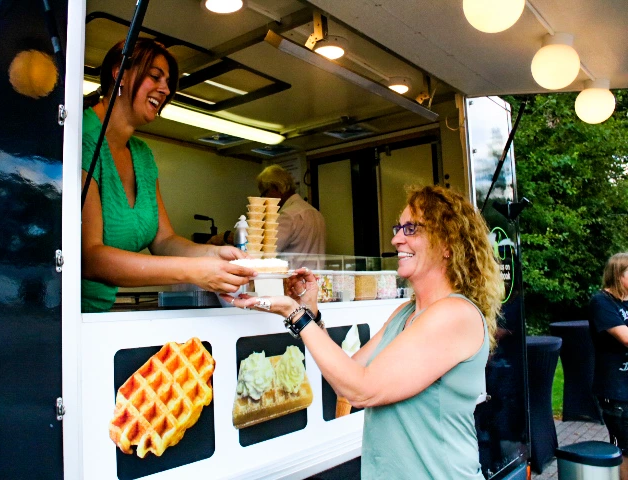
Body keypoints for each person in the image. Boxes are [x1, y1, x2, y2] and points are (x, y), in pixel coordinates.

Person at [223, 185, 504, 479]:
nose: (396, 239)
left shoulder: (454, 314)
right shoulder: (405, 314)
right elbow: (349, 376)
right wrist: (309, 313)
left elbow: (362, 389)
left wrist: (292, 313)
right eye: (399, 228)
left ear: (447, 244)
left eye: (411, 229)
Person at [81, 39, 254, 313]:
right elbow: (90, 258)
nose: (165, 89)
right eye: (155, 76)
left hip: (99, 316)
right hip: (57, 320)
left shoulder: (143, 156)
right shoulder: (80, 138)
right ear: (120, 73)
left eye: (168, 82)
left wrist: (213, 254)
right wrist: (194, 271)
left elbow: (163, 241)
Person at [209, 165, 326, 255]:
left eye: (265, 193)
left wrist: (228, 237)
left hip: (292, 282)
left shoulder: (288, 215)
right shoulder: (315, 213)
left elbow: (262, 251)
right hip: (314, 281)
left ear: (277, 188)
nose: (264, 199)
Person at [588, 252, 628, 479]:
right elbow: (626, 338)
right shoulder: (601, 302)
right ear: (617, 274)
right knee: (626, 449)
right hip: (616, 391)